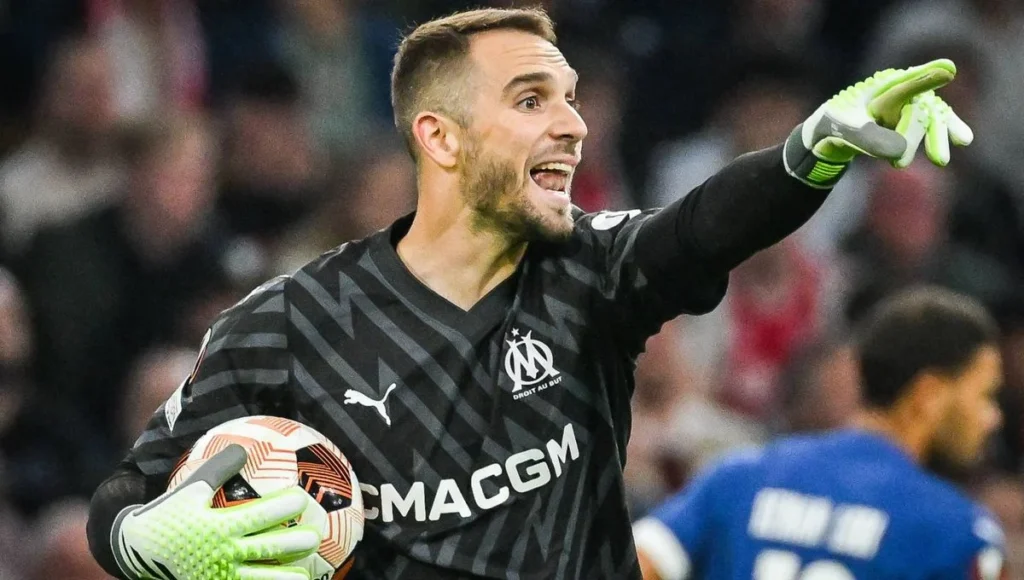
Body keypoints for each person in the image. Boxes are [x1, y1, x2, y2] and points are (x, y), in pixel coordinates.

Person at [86, 7, 974, 580]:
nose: (573, 124)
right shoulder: (286, 322)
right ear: (441, 137)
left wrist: (810, 147)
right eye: (531, 100)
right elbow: (124, 498)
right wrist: (147, 539)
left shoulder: (588, 271)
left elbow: (703, 225)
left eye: (571, 100)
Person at [633, 287, 1008, 580]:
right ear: (929, 396)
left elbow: (635, 562)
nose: (993, 418)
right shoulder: (955, 533)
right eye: (985, 396)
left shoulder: (743, 476)